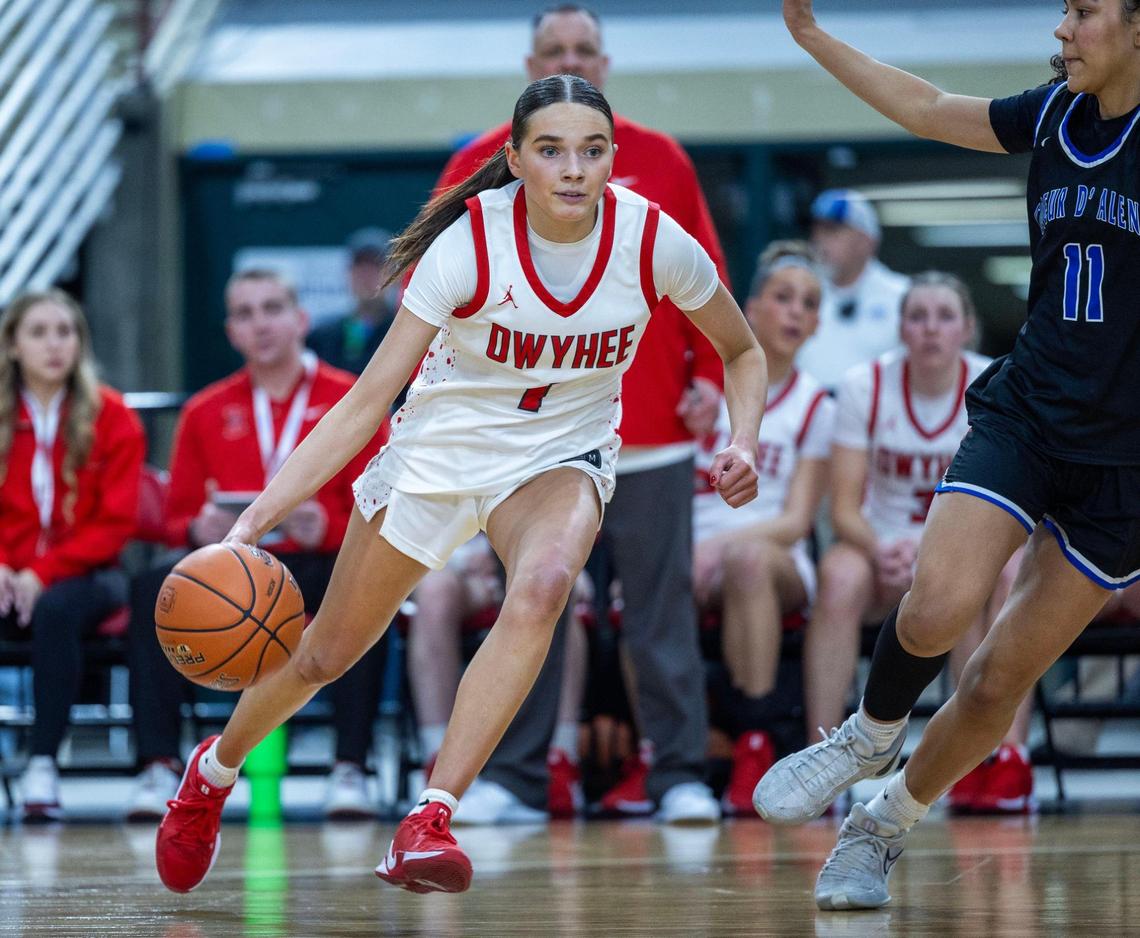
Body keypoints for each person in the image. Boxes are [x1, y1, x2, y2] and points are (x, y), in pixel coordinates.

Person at [153, 74, 765, 896]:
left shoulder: (653, 241)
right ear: (515, 160)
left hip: (561, 453)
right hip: (439, 453)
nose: (573, 168)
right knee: (323, 655)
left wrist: (744, 439)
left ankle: (430, 816)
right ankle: (211, 776)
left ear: (613, 160)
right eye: (551, 150)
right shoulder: (468, 246)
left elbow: (743, 350)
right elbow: (365, 403)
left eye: (591, 151)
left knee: (547, 586)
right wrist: (255, 520)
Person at [755, 0, 1140, 911]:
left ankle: (880, 826)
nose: (1061, 31)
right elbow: (927, 106)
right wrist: (814, 38)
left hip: (1123, 462)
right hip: (1031, 414)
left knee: (997, 679)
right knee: (937, 606)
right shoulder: (1052, 113)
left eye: (1083, 13)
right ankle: (865, 734)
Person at [434, 2, 732, 826]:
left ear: (605, 62)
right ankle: (518, 781)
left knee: (662, 615)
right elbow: (441, 305)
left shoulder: (662, 160)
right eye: (555, 49)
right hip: (527, 442)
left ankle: (678, 776)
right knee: (528, 609)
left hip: (652, 438)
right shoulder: (476, 163)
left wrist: (707, 378)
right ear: (529, 62)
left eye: (585, 49)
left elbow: (709, 285)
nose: (571, 59)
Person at [126, 269, 389, 822]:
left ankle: (351, 768)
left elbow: (387, 508)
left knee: (364, 591)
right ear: (230, 332)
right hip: (233, 568)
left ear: (299, 320)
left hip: (319, 560)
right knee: (153, 586)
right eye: (245, 314)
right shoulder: (203, 411)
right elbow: (176, 518)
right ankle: (157, 766)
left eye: (271, 308)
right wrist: (197, 529)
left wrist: (332, 526)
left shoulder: (349, 398)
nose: (260, 323)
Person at [802, 272, 1031, 815]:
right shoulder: (865, 386)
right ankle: (822, 754)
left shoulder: (996, 384)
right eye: (918, 316)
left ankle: (1006, 759)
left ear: (968, 329)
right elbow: (843, 510)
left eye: (944, 316)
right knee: (838, 575)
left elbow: (1017, 503)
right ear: (900, 328)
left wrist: (936, 557)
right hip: (880, 549)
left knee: (1005, 574)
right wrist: (882, 547)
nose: (930, 329)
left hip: (964, 552)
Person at [690, 242, 834, 815]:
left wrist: (716, 547)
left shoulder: (816, 404)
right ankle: (654, 753)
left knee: (746, 561)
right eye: (783, 297)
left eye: (809, 303)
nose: (796, 311)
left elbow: (798, 522)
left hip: (775, 558)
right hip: (690, 553)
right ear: (749, 306)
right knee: (645, 576)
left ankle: (756, 740)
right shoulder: (702, 391)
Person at [0, 289, 145, 821]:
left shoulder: (113, 417)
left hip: (89, 575)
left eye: (65, 331)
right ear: (13, 345)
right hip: (7, 574)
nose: (54, 344)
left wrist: (40, 573)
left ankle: (42, 764)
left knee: (58, 607)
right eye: (37, 332)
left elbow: (116, 524)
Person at [796, 188, 909, 387]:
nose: (819, 239)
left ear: (866, 241)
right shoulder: (798, 294)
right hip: (811, 414)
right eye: (817, 229)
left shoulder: (902, 296)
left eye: (832, 230)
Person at [306, 228, 398, 376]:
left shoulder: (406, 332)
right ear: (348, 273)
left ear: (394, 274)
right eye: (360, 267)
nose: (366, 275)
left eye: (375, 266)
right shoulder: (322, 338)